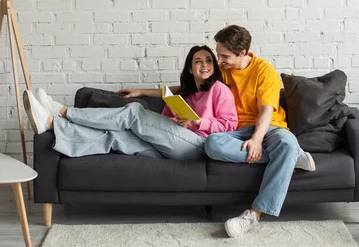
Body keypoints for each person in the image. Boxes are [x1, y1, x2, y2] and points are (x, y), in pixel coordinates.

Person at [23, 45, 238, 160]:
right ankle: (51, 124)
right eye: (198, 61)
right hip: (174, 143)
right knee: (116, 137)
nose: (205, 64)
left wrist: (199, 123)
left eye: (209, 60)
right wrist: (143, 93)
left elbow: (230, 125)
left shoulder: (219, 90)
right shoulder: (188, 92)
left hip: (197, 146)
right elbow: (166, 94)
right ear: (190, 69)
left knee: (134, 112)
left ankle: (63, 111)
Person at [203, 25, 316, 238]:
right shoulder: (222, 71)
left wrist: (257, 139)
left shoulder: (264, 71)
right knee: (212, 144)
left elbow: (265, 111)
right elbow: (192, 87)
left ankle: (252, 215)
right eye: (218, 54)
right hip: (235, 131)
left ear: (242, 53)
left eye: (224, 56)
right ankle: (288, 157)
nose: (219, 60)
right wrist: (147, 91)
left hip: (270, 127)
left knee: (286, 142)